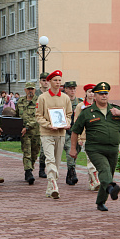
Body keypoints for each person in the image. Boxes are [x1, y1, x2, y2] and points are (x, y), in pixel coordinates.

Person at [70, 82, 120, 211]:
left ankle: (101, 201)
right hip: (95, 148)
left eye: (106, 93)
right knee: (104, 170)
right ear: (95, 96)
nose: (104, 96)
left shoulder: (115, 109)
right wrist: (73, 148)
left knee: (108, 175)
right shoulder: (87, 112)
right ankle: (111, 188)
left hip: (113, 148)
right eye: (101, 94)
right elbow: (75, 131)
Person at [35, 70, 72, 199]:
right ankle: (54, 185)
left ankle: (50, 188)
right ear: (49, 82)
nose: (58, 83)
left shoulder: (65, 97)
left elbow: (68, 115)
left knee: (56, 161)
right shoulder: (43, 97)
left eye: (59, 80)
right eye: (55, 80)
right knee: (49, 159)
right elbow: (38, 116)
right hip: (47, 133)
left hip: (61, 133)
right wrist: (48, 125)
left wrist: (67, 123)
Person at [74, 83, 100, 191]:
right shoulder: (80, 106)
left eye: (93, 92)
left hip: (97, 136)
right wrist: (79, 138)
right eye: (89, 92)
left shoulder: (98, 105)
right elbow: (77, 123)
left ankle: (92, 181)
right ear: (85, 93)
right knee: (90, 159)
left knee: (96, 159)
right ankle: (96, 180)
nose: (91, 94)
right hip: (85, 137)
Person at [15, 82, 40, 185]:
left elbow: (39, 116)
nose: (30, 91)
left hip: (36, 131)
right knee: (27, 152)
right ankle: (28, 171)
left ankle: (30, 167)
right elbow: (16, 115)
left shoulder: (39, 101)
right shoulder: (20, 101)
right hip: (24, 133)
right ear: (25, 90)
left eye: (32, 89)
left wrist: (28, 126)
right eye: (28, 89)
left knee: (35, 152)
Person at [63, 81, 82, 186]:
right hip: (66, 131)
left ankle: (69, 173)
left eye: (74, 88)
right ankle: (72, 172)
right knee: (70, 150)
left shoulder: (79, 102)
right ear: (66, 89)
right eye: (70, 88)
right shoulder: (63, 101)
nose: (72, 90)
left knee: (76, 152)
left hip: (77, 131)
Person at [35, 72, 50, 178]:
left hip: (47, 124)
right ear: (40, 81)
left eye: (47, 80)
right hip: (36, 125)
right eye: (44, 80)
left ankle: (42, 169)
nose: (46, 82)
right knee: (36, 148)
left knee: (45, 149)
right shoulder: (36, 94)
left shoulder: (50, 94)